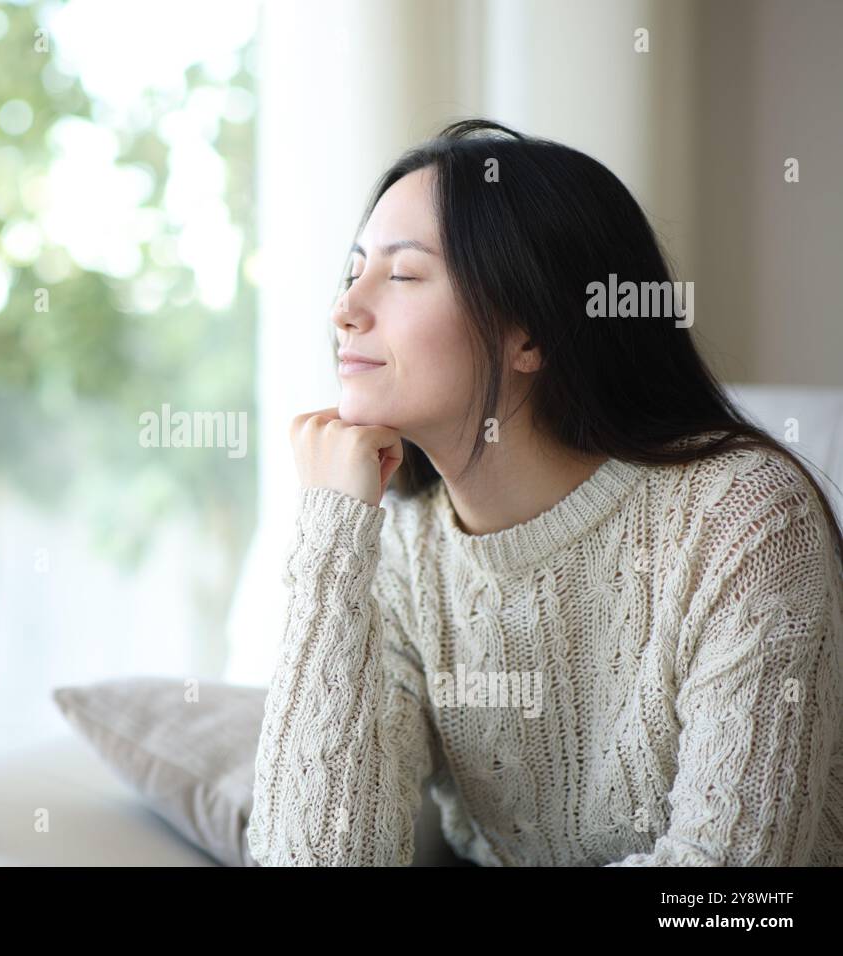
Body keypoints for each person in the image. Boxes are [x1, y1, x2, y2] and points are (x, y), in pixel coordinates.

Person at [245, 119, 843, 866]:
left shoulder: (744, 519)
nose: (344, 309)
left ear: (531, 333)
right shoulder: (402, 552)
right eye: (353, 271)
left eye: (400, 275)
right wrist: (330, 539)